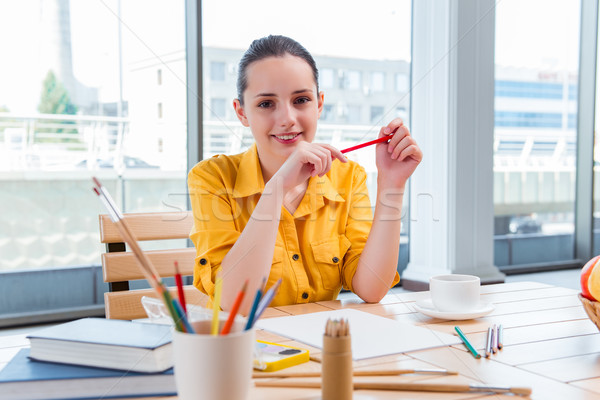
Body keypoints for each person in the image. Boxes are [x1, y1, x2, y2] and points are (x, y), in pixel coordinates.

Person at [188, 35, 422, 313]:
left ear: (319, 104)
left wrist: (392, 184)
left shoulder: (348, 176)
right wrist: (276, 191)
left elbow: (371, 289)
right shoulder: (212, 178)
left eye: (301, 100)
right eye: (266, 104)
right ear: (242, 113)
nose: (287, 118)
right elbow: (235, 302)